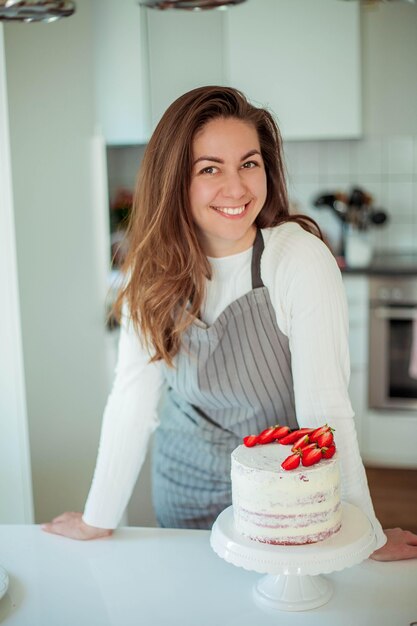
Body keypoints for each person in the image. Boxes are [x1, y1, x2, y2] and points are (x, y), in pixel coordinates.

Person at [42, 86, 417, 561]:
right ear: (175, 180)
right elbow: (132, 399)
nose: (237, 188)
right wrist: (98, 518)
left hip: (285, 494)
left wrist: (366, 534)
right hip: (184, 490)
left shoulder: (297, 259)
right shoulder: (150, 269)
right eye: (209, 169)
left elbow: (325, 408)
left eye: (249, 163)